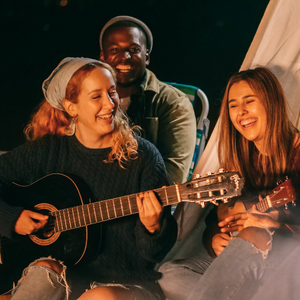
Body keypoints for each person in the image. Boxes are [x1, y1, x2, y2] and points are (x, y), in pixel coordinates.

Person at [0, 57, 178, 300]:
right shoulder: (49, 150)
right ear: (71, 107)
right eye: (96, 96)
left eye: (112, 92)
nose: (110, 103)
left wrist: (154, 227)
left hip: (126, 284)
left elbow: (152, 256)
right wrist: (12, 218)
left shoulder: (144, 157)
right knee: (43, 271)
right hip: (69, 277)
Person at [158, 67, 300, 300]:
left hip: (285, 270)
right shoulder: (243, 161)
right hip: (244, 272)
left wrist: (278, 227)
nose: (241, 112)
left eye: (249, 101)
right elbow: (217, 219)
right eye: (233, 105)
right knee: (170, 273)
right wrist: (214, 238)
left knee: (253, 234)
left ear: (271, 102)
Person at [99, 15, 196, 184]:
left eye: (134, 49)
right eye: (115, 50)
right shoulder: (89, 99)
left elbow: (173, 176)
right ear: (102, 56)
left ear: (147, 56)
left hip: (141, 204)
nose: (125, 57)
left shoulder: (173, 103)